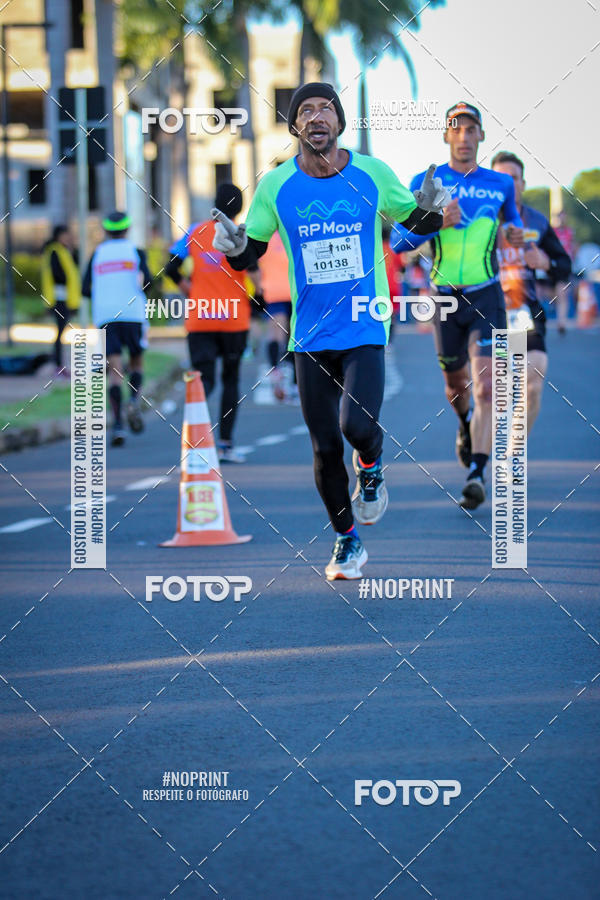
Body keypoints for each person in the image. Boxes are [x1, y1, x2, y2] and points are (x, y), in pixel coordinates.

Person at [211, 82, 447, 579]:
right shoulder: (276, 186)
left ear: (339, 123)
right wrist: (234, 248)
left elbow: (416, 221)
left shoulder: (371, 172)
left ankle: (372, 466)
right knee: (322, 446)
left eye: (326, 109)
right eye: (305, 111)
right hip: (309, 334)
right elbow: (250, 249)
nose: (316, 117)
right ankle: (347, 541)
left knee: (356, 429)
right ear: (294, 126)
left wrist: (431, 209)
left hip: (364, 320)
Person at [390, 101, 524, 511]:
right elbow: (398, 243)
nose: (464, 138)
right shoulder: (427, 181)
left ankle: (476, 474)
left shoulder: (499, 185)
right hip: (444, 297)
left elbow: (513, 224)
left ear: (481, 136)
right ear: (446, 136)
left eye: (471, 130)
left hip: (487, 294)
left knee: (486, 386)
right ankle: (465, 427)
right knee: (456, 385)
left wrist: (515, 236)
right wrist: (435, 222)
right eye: (456, 130)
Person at [165, 183, 261, 463]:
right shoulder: (244, 234)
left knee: (202, 381)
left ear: (215, 203)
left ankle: (194, 445)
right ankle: (226, 445)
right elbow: (254, 272)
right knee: (230, 380)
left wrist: (190, 290)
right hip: (234, 320)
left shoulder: (195, 232)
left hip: (200, 320)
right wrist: (260, 297)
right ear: (240, 207)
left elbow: (171, 267)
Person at [491, 151, 571, 433]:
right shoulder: (478, 219)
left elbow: (564, 266)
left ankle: (513, 450)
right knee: (490, 393)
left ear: (523, 183)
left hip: (525, 313)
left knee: (533, 382)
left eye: (513, 178)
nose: (509, 184)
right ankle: (470, 431)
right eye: (501, 178)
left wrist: (545, 262)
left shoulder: (537, 222)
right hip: (483, 312)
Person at [82, 211, 152, 447]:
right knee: (137, 362)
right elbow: (150, 281)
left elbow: (84, 288)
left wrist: (104, 294)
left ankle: (118, 424)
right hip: (132, 313)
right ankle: (133, 400)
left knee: (114, 371)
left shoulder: (97, 254)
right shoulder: (136, 251)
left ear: (105, 230)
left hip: (105, 315)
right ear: (127, 229)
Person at [259, 231, 297, 401]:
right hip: (296, 292)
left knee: (276, 335)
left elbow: (254, 265)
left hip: (273, 292)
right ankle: (296, 382)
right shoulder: (294, 231)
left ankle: (276, 371)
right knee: (296, 337)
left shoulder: (263, 236)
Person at [40, 225, 81, 377]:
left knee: (62, 331)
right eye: (65, 235)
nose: (68, 238)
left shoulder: (66, 251)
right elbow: (59, 275)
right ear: (58, 236)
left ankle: (59, 363)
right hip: (59, 299)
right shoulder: (54, 251)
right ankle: (58, 365)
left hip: (66, 299)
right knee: (60, 331)